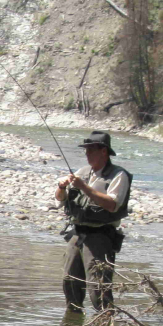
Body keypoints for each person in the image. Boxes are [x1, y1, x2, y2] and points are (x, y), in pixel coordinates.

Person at [53, 130, 131, 313]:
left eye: (91, 150)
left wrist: (84, 187)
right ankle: (72, 325)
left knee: (99, 288)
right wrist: (61, 187)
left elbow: (112, 205)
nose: (86, 154)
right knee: (70, 281)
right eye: (86, 150)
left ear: (103, 151)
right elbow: (59, 200)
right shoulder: (83, 172)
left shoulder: (119, 175)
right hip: (77, 234)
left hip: (101, 237)